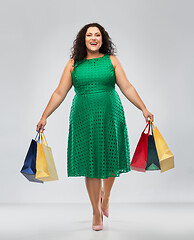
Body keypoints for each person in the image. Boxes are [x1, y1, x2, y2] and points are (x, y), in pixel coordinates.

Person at [36, 22, 154, 231]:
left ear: (102, 39)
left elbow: (127, 86)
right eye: (89, 35)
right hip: (83, 117)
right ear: (83, 39)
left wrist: (143, 108)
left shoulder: (111, 61)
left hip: (111, 114)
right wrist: (45, 115)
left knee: (110, 157)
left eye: (97, 35)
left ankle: (105, 196)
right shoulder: (73, 64)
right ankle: (95, 210)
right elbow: (59, 93)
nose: (93, 38)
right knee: (91, 162)